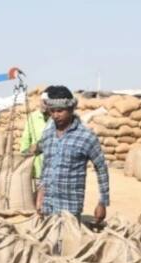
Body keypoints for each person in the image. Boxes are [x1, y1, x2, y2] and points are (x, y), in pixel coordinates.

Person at [35, 85, 109, 222]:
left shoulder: (86, 137)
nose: (55, 115)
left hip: (69, 208)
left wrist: (102, 202)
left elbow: (101, 169)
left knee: (68, 243)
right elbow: (46, 169)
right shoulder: (48, 135)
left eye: (60, 111)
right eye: (52, 111)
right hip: (47, 206)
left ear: (71, 109)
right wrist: (40, 196)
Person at [20, 92, 50, 181]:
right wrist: (23, 160)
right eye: (44, 102)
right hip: (37, 167)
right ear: (40, 101)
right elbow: (25, 139)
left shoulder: (55, 119)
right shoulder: (33, 117)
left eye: (48, 103)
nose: (45, 105)